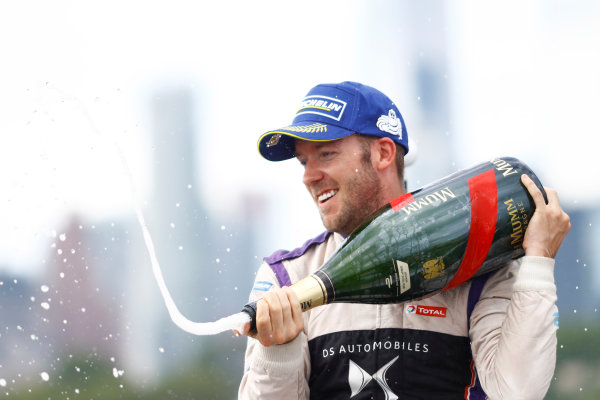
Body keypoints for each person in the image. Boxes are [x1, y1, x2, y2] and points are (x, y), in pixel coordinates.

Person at [237, 81, 571, 399]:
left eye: (326, 155)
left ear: (383, 153)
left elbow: (517, 391)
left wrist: (538, 261)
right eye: (304, 161)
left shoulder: (478, 262)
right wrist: (279, 351)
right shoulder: (287, 277)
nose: (308, 176)